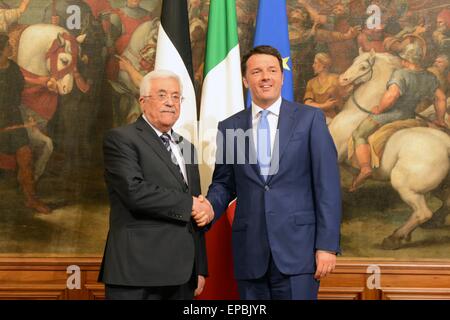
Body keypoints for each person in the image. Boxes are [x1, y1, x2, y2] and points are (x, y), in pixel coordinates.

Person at [202, 45, 342, 300]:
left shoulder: (310, 119)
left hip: (299, 253)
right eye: (256, 71)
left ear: (281, 76)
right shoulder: (230, 126)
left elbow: (327, 186)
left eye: (271, 70)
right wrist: (209, 207)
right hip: (250, 254)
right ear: (246, 80)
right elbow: (224, 183)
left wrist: (327, 245)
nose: (265, 77)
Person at [98, 70, 212, 300]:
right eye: (162, 95)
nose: (170, 102)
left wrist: (199, 267)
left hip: (182, 274)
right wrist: (190, 204)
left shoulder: (187, 147)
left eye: (176, 96)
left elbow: (195, 206)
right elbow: (134, 191)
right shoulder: (121, 139)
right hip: (137, 272)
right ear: (143, 101)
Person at [350, 43, 447, 192]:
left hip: (391, 115)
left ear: (406, 60)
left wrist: (379, 108)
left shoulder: (401, 74)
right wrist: (440, 119)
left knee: (359, 133)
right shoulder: (430, 76)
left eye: (402, 58)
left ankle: (365, 168)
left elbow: (392, 95)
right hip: (410, 116)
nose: (401, 61)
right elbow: (440, 98)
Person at [0, 34, 50, 213]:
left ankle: (31, 198)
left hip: (14, 120)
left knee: (26, 158)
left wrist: (43, 84)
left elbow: (22, 90)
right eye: (8, 46)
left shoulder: (12, 68)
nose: (12, 48)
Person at [303, 52, 350, 124]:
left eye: (315, 63)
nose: (313, 66)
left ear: (323, 65)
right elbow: (307, 103)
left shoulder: (336, 79)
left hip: (334, 119)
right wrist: (324, 106)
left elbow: (342, 102)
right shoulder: (311, 82)